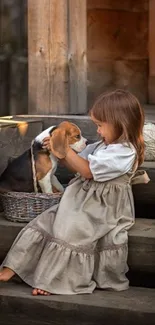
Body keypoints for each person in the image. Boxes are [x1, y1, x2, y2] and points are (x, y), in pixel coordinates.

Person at [0, 89, 149, 296]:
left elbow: (87, 171)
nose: (97, 131)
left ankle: (54, 280)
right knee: (45, 220)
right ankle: (11, 268)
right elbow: (78, 165)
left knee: (72, 230)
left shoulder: (124, 152)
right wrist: (57, 152)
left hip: (102, 207)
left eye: (100, 125)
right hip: (81, 200)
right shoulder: (103, 145)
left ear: (121, 124)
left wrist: (65, 149)